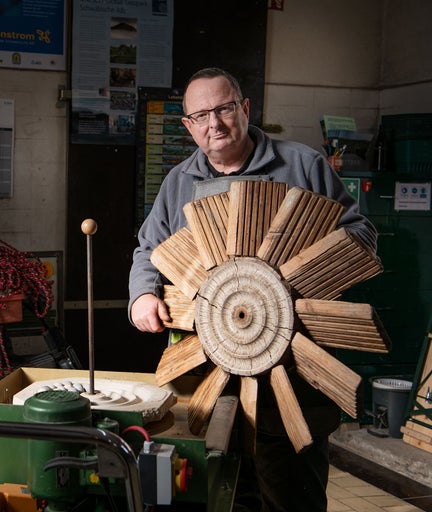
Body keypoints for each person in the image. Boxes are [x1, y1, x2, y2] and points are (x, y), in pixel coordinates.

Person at [128, 67, 377, 512]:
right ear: (187, 126)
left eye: (223, 109)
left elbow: (359, 231)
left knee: (290, 493)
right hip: (212, 366)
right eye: (200, 116)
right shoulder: (178, 183)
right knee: (224, 486)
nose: (214, 125)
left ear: (244, 108)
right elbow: (150, 248)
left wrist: (314, 263)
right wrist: (143, 294)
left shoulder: (301, 165)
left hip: (295, 367)